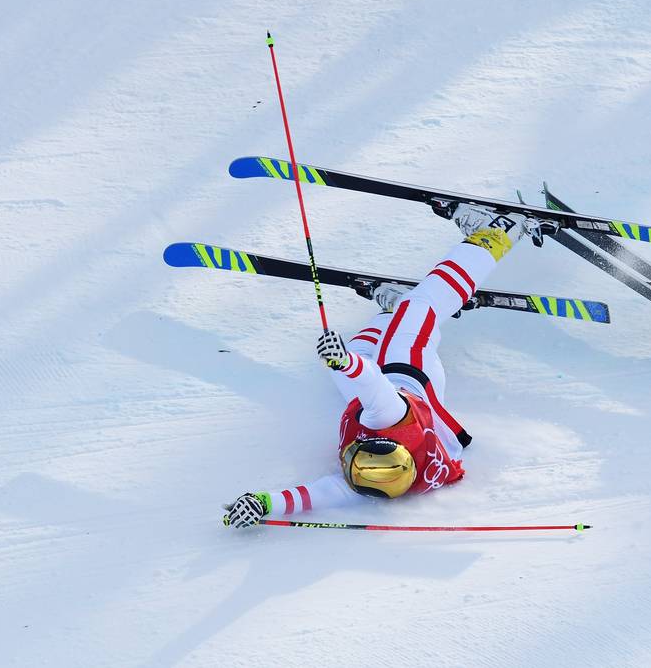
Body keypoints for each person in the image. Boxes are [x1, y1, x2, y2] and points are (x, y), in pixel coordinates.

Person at [223, 205, 537, 528]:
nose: (348, 466)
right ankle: (498, 233)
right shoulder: (387, 415)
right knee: (420, 305)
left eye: (352, 468)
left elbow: (314, 495)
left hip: (421, 411)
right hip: (409, 368)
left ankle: (390, 313)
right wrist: (345, 362)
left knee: (358, 350)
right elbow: (371, 381)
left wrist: (263, 502)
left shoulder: (375, 480)